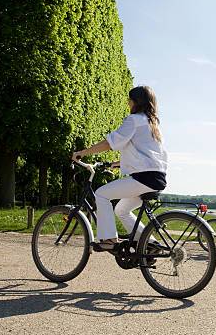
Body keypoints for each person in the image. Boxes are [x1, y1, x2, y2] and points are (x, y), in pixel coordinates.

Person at [72, 86, 168, 250]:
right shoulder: (152, 125)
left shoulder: (134, 120)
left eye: (129, 100)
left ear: (136, 102)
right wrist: (117, 164)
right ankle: (150, 244)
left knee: (101, 194)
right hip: (156, 178)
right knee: (122, 210)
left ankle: (108, 239)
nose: (128, 103)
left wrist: (82, 153)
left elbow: (110, 143)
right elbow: (143, 153)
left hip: (143, 178)